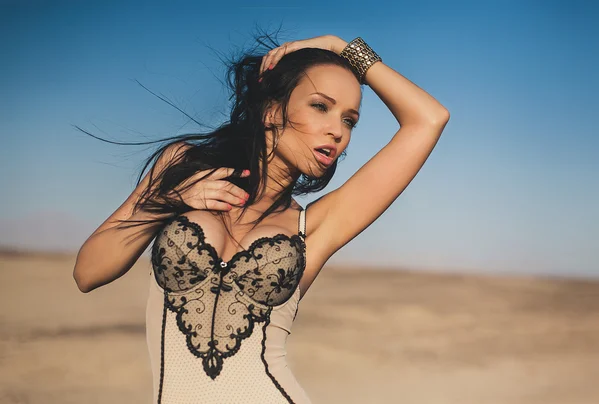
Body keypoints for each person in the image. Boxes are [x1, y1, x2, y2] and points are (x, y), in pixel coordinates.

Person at [73, 33, 449, 404]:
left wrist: (340, 47)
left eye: (349, 120)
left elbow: (429, 118)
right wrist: (168, 197)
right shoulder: (180, 167)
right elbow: (88, 273)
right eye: (321, 106)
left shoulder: (316, 226)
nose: (338, 131)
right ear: (271, 110)